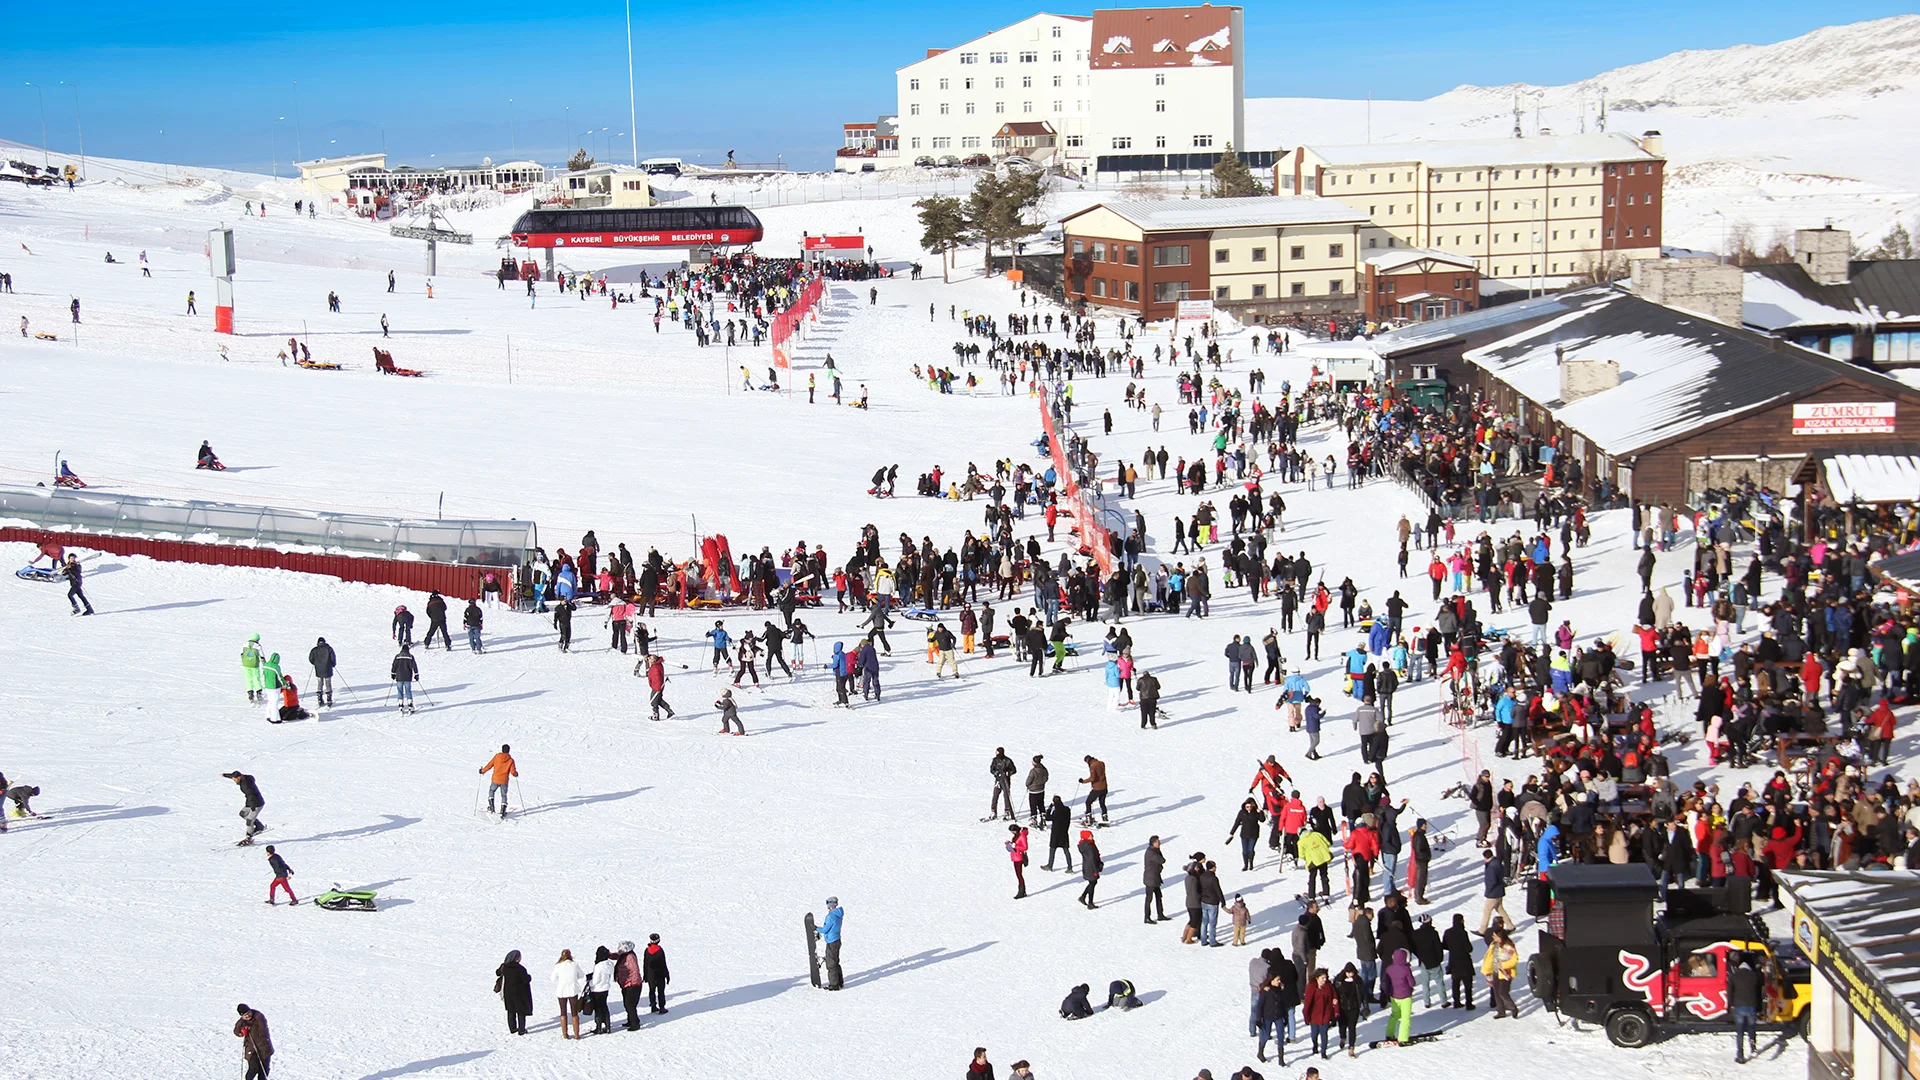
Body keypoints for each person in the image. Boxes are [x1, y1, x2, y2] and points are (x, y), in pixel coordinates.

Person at [1730, 950, 1764, 1062]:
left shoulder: (1734, 976)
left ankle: (1740, 1055)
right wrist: (1759, 1006)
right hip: (1751, 1006)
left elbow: (1730, 991)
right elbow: (1758, 991)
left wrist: (1731, 1004)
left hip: (1738, 1006)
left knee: (1740, 1032)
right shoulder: (1754, 976)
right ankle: (1753, 1047)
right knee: (1751, 1028)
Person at [1482, 928, 1519, 1018]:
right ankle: (1501, 1011)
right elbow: (1489, 957)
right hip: (1495, 971)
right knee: (1497, 992)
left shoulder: (1508, 946)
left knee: (1503, 992)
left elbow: (1514, 960)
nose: (1493, 937)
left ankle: (1513, 1008)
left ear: (1500, 936)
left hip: (1506, 973)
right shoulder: (1494, 945)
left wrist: (1503, 965)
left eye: (1495, 935)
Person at [1442, 913, 1476, 1008]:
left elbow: (1444, 945)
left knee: (1455, 983)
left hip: (1453, 961)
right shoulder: (1462, 933)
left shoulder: (1447, 932)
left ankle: (1456, 1002)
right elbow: (1469, 948)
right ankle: (1469, 1003)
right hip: (1464, 962)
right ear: (1461, 921)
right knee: (1467, 983)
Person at [496, 951, 533, 1035]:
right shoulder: (520, 968)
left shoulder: (504, 967)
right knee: (521, 1011)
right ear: (517, 958)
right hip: (520, 993)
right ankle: (521, 1029)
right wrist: (529, 977)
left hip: (508, 992)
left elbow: (497, 973)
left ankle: (512, 1028)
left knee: (510, 1010)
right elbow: (526, 979)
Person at [225, 770, 266, 845]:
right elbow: (232, 776)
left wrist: (253, 807)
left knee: (249, 820)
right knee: (243, 814)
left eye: (235, 779)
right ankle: (259, 826)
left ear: (239, 777)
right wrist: (225, 775)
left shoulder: (246, 785)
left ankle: (249, 837)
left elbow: (252, 795)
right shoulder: (244, 777)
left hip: (256, 804)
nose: (234, 781)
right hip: (249, 803)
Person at [552, 949, 585, 1039]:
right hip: (573, 990)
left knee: (563, 1012)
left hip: (561, 990)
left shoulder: (558, 966)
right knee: (574, 1012)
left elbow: (552, 978)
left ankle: (565, 1034)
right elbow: (581, 975)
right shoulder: (574, 964)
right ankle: (577, 1034)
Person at [233, 1004, 272, 1080]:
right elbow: (236, 1031)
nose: (247, 1016)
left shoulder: (258, 1016)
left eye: (248, 1013)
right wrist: (242, 1030)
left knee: (263, 1070)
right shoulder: (242, 1021)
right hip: (251, 1048)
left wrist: (249, 1027)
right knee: (253, 1068)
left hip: (263, 1047)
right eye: (244, 1015)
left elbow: (263, 1030)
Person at [480, 744, 517, 818]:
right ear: (508, 751)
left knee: (492, 791)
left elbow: (489, 765)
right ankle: (502, 811)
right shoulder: (511, 760)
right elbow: (513, 772)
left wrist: (482, 771)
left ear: (502, 750)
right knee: (503, 795)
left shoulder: (497, 757)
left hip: (495, 779)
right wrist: (516, 774)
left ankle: (491, 807)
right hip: (504, 781)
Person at [817, 897, 844, 990]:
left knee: (831, 964)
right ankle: (840, 982)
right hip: (836, 940)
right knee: (835, 961)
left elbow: (825, 929)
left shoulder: (831, 916)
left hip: (831, 941)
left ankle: (834, 985)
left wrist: (815, 928)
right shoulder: (838, 914)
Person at [587, 945, 616, 1034]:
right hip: (606, 988)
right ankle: (607, 1026)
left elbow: (595, 980)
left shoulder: (599, 966)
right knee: (604, 1007)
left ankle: (598, 1027)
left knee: (598, 1009)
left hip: (597, 990)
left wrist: (589, 983)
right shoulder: (610, 964)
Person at [643, 933, 671, 1013]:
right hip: (660, 975)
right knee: (661, 991)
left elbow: (645, 964)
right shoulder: (660, 950)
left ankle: (653, 1006)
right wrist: (667, 974)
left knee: (652, 990)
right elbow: (663, 964)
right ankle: (662, 1007)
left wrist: (645, 976)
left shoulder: (647, 950)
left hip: (650, 975)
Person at [1143, 834, 1168, 923]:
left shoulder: (1154, 851)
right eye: (1158, 842)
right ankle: (1147, 917)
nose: (1160, 843)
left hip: (1155, 878)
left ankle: (1160, 914)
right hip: (1151, 879)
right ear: (1153, 843)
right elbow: (1162, 860)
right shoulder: (1151, 852)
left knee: (1158, 896)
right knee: (1149, 898)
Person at [307, 637, 337, 707]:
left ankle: (320, 699)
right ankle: (329, 699)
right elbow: (333, 657)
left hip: (318, 669)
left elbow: (311, 659)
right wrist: (333, 664)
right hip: (328, 669)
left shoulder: (314, 650)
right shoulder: (329, 648)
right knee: (328, 683)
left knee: (320, 683)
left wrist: (315, 663)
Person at [1077, 829, 1103, 908]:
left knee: (1092, 883)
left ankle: (1083, 897)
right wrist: (1096, 870)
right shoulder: (1090, 847)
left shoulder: (1085, 844)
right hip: (1091, 868)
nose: (1092, 836)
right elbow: (1092, 860)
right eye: (1090, 835)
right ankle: (1090, 903)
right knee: (1092, 883)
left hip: (1087, 867)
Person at [990, 747, 1017, 821]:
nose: (996, 753)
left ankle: (1007, 811)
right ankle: (993, 811)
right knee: (995, 795)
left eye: (997, 752)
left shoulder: (1008, 760)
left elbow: (1014, 770)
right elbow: (992, 769)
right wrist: (996, 773)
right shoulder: (995, 760)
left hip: (1005, 781)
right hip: (998, 780)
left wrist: (1008, 773)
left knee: (1006, 796)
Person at [390, 644, 418, 714]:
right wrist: (416, 675)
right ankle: (410, 705)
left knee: (400, 691)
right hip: (408, 677)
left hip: (399, 677)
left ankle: (400, 705)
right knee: (408, 691)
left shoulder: (397, 656)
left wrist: (393, 674)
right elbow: (414, 666)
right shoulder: (411, 657)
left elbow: (394, 666)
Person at [1007, 823, 1030, 898]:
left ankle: (1021, 891)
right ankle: (1022, 891)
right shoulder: (1016, 836)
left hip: (1019, 857)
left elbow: (1025, 847)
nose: (1012, 833)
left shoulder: (1022, 836)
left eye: (1013, 831)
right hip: (1015, 856)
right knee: (1018, 875)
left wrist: (1015, 846)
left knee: (1019, 875)